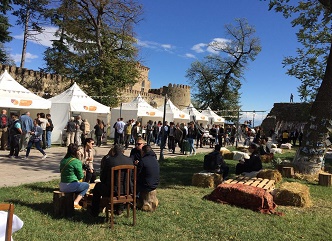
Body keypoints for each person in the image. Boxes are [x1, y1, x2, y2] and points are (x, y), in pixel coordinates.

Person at [90, 144, 134, 217]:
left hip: (112, 191)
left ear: (113, 151)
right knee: (120, 187)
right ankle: (120, 209)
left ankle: (94, 212)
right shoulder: (129, 160)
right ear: (123, 151)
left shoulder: (109, 161)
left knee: (98, 186)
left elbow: (103, 178)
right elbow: (132, 177)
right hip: (127, 190)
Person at [59, 143, 89, 210]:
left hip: (62, 185)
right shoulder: (76, 161)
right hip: (70, 185)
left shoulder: (63, 160)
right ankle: (76, 202)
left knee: (79, 185)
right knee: (86, 185)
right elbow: (80, 176)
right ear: (76, 152)